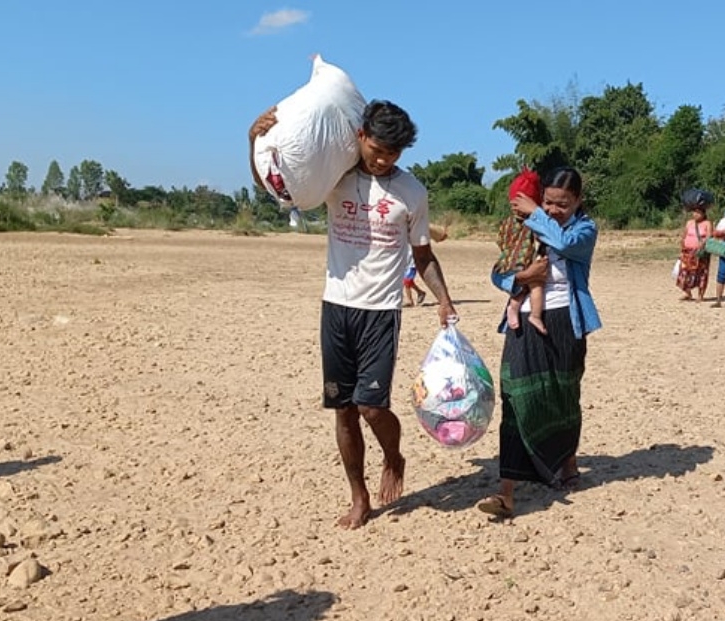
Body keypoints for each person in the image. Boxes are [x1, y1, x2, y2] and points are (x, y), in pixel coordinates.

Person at [249, 100, 457, 530]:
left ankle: (394, 455)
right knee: (343, 409)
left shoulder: (411, 192)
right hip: (337, 306)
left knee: (371, 406)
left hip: (381, 311)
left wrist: (443, 299)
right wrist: (254, 141)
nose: (382, 161)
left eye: (392, 155)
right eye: (377, 150)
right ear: (360, 136)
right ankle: (359, 496)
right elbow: (278, 188)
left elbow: (423, 254)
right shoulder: (333, 176)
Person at [480, 167, 601, 518]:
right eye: (547, 202)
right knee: (515, 396)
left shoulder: (585, 229)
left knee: (563, 394)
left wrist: (535, 214)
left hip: (567, 320)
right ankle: (506, 491)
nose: (552, 210)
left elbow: (564, 243)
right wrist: (521, 277)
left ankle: (566, 462)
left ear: (578, 201)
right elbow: (498, 271)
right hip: (525, 326)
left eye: (562, 204)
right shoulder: (524, 227)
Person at [495, 168, 549, 334]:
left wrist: (507, 252)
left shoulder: (508, 222)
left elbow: (500, 240)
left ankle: (517, 308)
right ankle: (533, 314)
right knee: (535, 285)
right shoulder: (534, 223)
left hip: (507, 262)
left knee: (528, 285)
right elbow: (541, 241)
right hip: (524, 263)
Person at [676, 195, 712, 302]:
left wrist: (703, 243)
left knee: (701, 273)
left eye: (698, 212)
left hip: (700, 253)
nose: (695, 214)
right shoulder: (689, 223)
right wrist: (682, 244)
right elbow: (684, 235)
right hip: (687, 252)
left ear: (703, 213)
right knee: (684, 272)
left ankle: (700, 295)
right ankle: (688, 293)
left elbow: (710, 236)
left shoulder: (707, 223)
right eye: (694, 212)